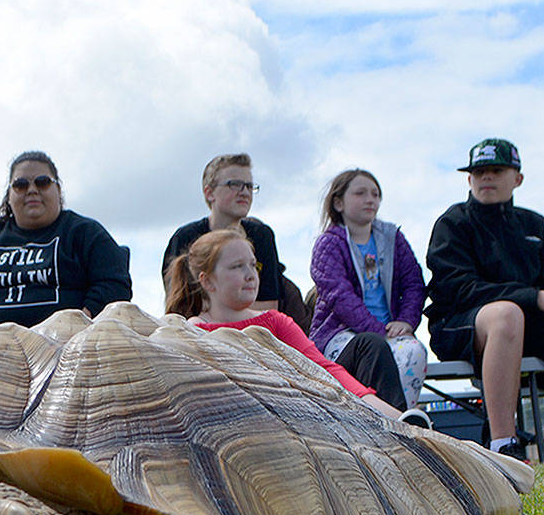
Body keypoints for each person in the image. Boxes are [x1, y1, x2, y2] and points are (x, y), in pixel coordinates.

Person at [425, 138, 544, 460]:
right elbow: (459, 289)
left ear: (517, 178)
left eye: (496, 170)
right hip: (461, 325)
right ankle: (504, 445)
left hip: (526, 326)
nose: (486, 177)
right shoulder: (452, 223)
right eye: (479, 171)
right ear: (468, 179)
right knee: (507, 314)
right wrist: (535, 297)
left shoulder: (533, 224)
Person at [166, 231, 405, 421]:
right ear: (207, 280)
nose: (250, 275)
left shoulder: (276, 321)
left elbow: (323, 370)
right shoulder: (191, 332)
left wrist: (389, 414)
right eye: (237, 266)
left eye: (253, 265)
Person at [0, 151, 132, 345]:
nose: (32, 190)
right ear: (9, 194)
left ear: (58, 190)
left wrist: (77, 335)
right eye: (20, 185)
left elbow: (114, 284)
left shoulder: (85, 233)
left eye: (42, 182)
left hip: (72, 351)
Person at [308, 169, 429, 412]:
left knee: (414, 352)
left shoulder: (393, 238)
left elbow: (414, 282)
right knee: (372, 349)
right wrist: (379, 330)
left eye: (375, 194)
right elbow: (338, 295)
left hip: (392, 330)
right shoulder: (329, 244)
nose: (370, 199)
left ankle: (405, 420)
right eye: (360, 193)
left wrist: (406, 321)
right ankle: (381, 423)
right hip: (342, 333)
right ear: (338, 202)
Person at [163, 153, 283, 315]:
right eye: (235, 184)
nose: (245, 192)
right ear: (209, 193)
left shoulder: (261, 235)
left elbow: (269, 306)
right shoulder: (185, 238)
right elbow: (178, 307)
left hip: (252, 334)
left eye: (249, 186)